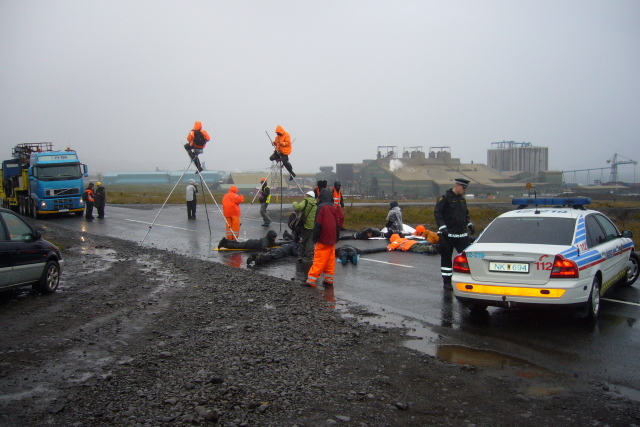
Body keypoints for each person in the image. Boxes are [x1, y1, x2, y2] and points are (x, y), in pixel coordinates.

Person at [434, 178, 474, 290]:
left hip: (462, 235)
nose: (464, 190)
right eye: (463, 188)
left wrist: (469, 224)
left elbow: (465, 214)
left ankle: (467, 280)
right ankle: (447, 282)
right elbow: (438, 214)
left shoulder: (462, 199)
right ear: (457, 185)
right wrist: (443, 228)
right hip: (448, 235)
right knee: (446, 258)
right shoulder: (444, 198)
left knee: (467, 258)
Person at [305, 188, 341, 287]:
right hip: (332, 238)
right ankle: (329, 280)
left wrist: (315, 238)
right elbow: (337, 224)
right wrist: (337, 237)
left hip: (323, 238)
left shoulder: (321, 207)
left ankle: (311, 280)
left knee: (319, 260)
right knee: (330, 261)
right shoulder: (334, 207)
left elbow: (318, 224)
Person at [293, 191, 318, 263]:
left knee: (303, 240)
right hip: (313, 225)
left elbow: (299, 207)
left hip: (306, 225)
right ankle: (310, 256)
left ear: (308, 195)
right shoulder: (315, 204)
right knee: (310, 241)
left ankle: (300, 255)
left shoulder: (306, 201)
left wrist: (294, 203)